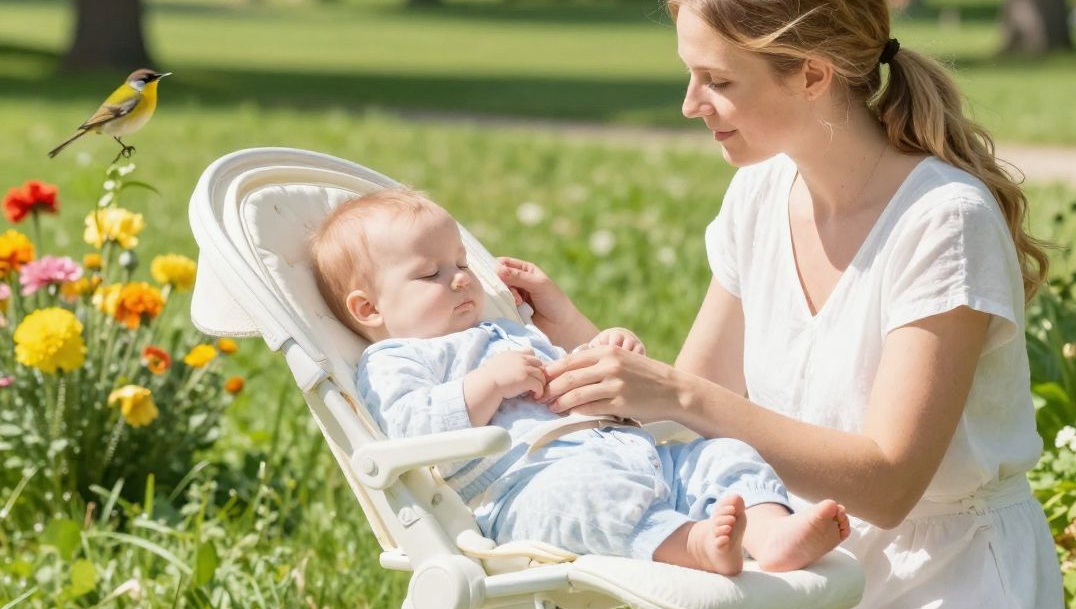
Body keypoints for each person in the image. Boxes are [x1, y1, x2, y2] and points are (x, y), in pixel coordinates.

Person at [534, 0, 1065, 609]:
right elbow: (684, 418)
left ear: (813, 74)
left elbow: (890, 482)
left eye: (718, 80)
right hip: (800, 591)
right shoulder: (758, 195)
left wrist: (684, 394)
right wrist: (577, 341)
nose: (691, 104)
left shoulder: (943, 221)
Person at [308, 190, 849, 576]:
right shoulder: (392, 360)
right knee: (590, 499)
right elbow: (407, 430)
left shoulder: (503, 330)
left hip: (630, 451)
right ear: (368, 309)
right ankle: (696, 544)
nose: (460, 278)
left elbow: (574, 374)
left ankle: (772, 532)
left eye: (459, 262)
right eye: (431, 274)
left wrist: (601, 349)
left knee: (723, 452)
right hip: (524, 490)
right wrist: (486, 386)